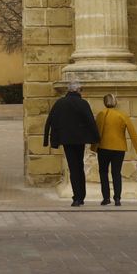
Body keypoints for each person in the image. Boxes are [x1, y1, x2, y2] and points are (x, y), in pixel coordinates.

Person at [43, 78, 99, 206]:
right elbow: (91, 121)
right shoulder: (83, 103)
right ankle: (81, 196)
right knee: (79, 166)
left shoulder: (60, 103)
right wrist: (96, 139)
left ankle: (76, 197)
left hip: (66, 140)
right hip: (80, 140)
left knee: (73, 167)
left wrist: (48, 140)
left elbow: (50, 121)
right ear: (78, 90)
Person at [93, 92, 137, 206]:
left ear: (105, 102)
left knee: (103, 172)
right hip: (119, 148)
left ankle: (106, 198)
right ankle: (117, 199)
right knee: (116, 173)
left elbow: (97, 131)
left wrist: (93, 146)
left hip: (104, 147)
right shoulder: (122, 115)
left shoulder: (101, 113)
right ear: (115, 102)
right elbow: (132, 131)